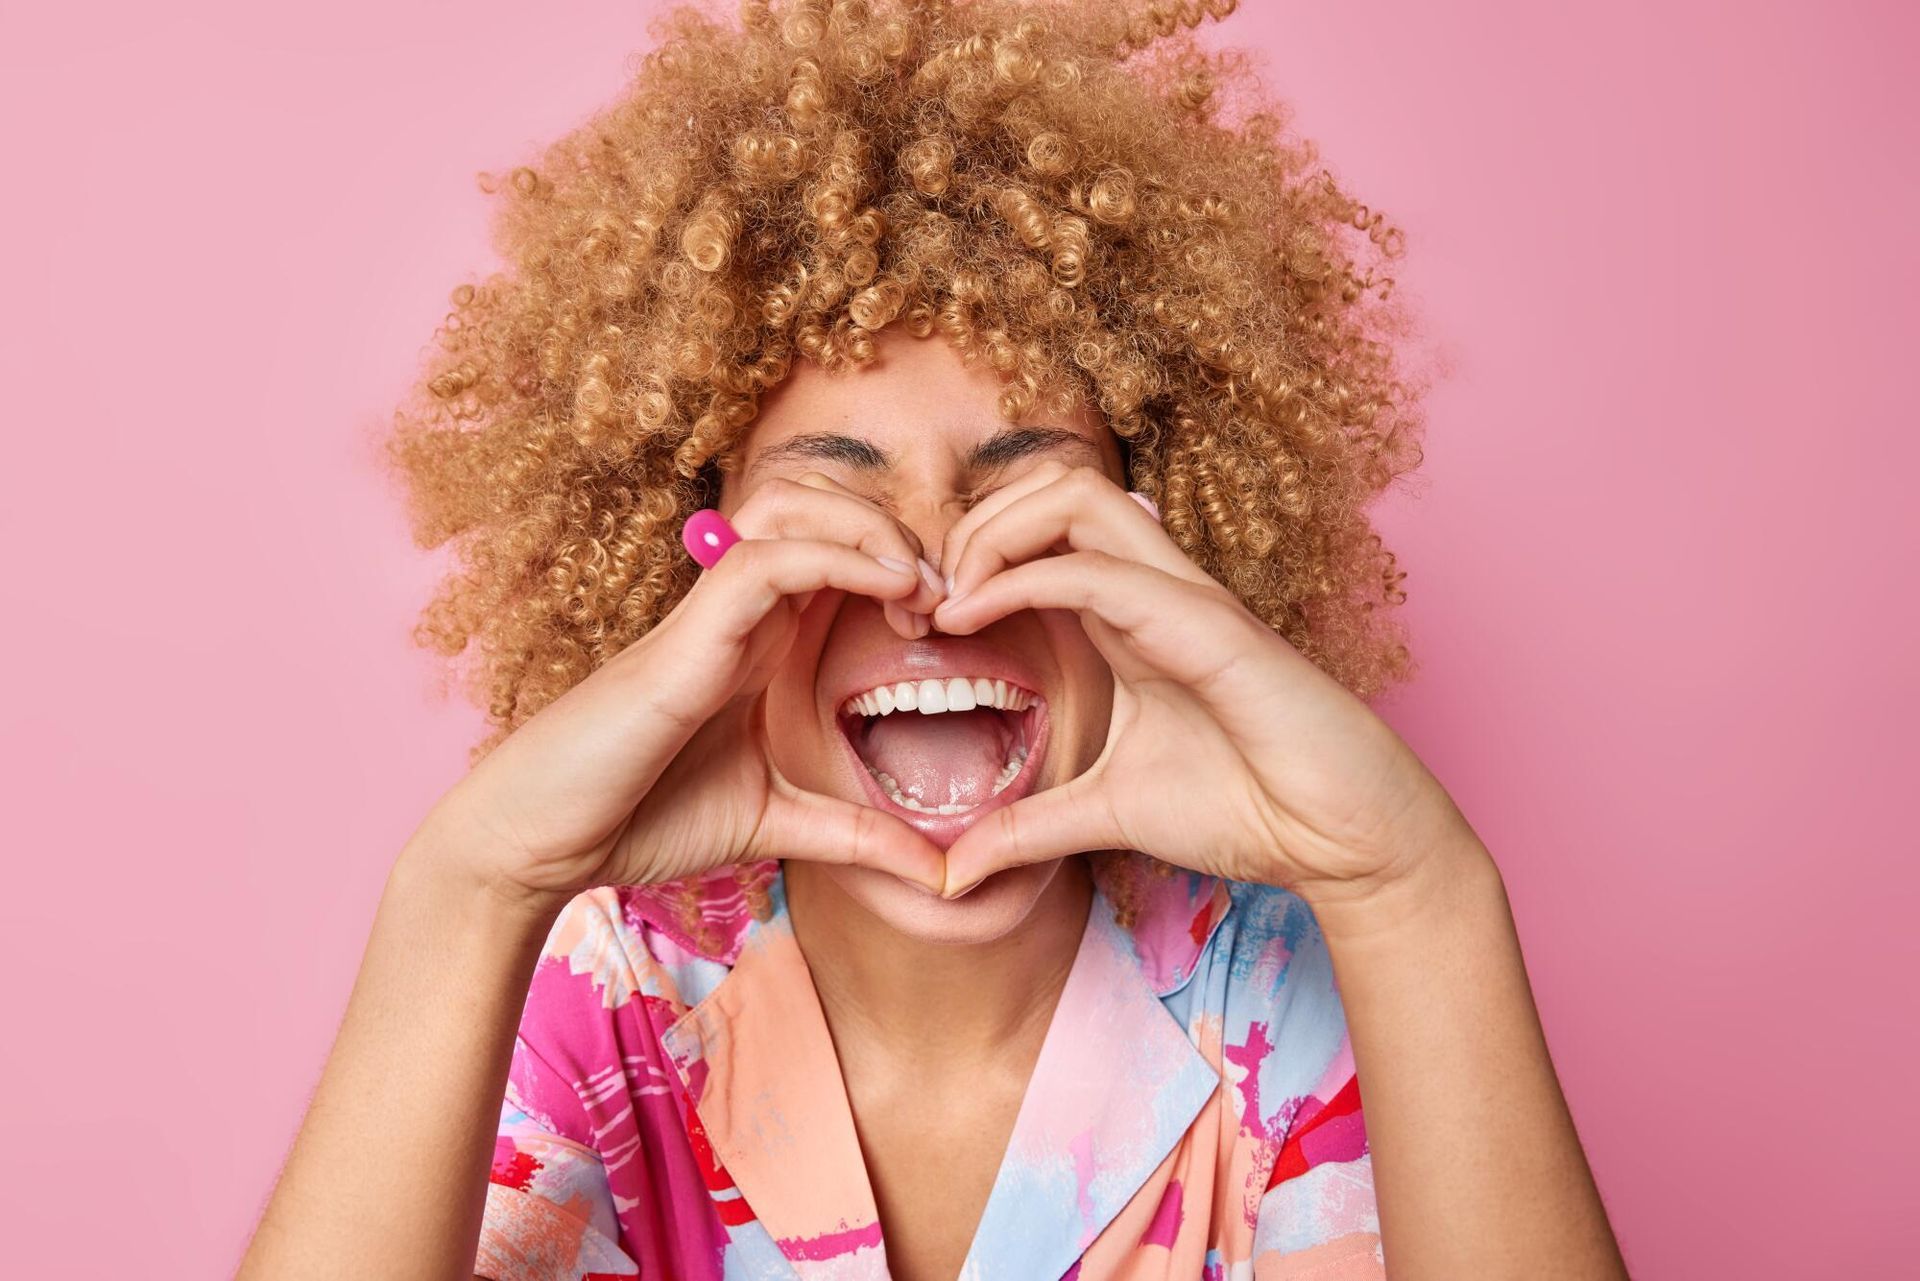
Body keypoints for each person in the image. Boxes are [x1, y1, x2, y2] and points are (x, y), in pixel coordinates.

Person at [237, 1, 1628, 1278]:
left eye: (1024, 490)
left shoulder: (1280, 998)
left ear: (1162, 546)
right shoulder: (605, 999)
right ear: (693, 581)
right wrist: (468, 885)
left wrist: (1412, 889)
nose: (931, 577)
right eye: (828, 507)